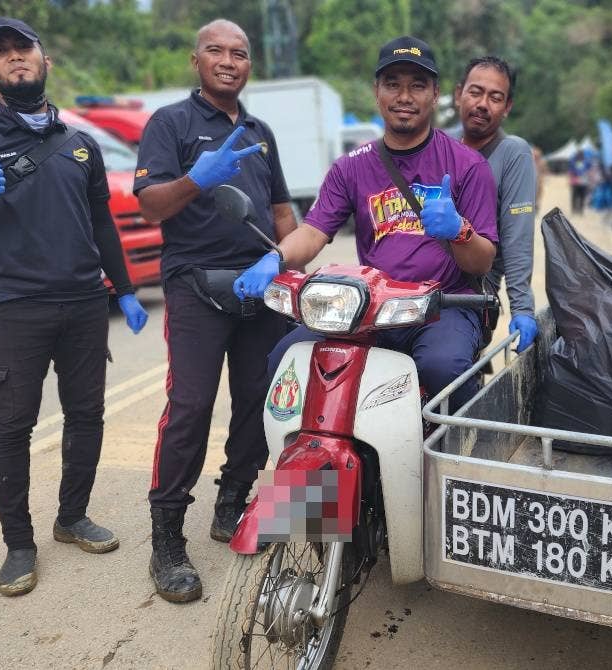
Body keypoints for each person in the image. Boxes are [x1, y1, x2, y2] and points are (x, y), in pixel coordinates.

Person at [0, 17, 149, 597]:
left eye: (22, 48)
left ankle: (71, 517)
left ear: (44, 58)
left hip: (84, 303)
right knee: (11, 428)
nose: (14, 58)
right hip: (15, 306)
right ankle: (19, 544)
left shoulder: (80, 143)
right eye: (0, 52)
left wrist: (125, 289)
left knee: (87, 416)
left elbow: (101, 220)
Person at [235, 36, 498, 411]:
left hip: (444, 306)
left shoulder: (468, 165)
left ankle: (459, 450)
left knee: (442, 368)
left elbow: (482, 262)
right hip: (372, 307)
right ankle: (313, 451)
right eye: (392, 84)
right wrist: (274, 258)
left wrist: (460, 231)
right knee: (287, 360)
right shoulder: (351, 167)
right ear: (377, 91)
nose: (404, 96)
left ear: (435, 94)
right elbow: (313, 231)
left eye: (417, 85)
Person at [133, 19, 296, 603]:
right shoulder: (170, 123)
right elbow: (151, 206)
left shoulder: (259, 131)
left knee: (259, 400)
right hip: (194, 285)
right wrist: (196, 181)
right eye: (216, 51)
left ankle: (232, 502)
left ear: (250, 64)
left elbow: (282, 211)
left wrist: (288, 263)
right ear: (195, 60)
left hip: (259, 286)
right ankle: (166, 539)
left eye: (240, 53)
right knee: (192, 405)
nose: (229, 61)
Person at [454, 56, 538, 353]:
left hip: (470, 297)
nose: (482, 104)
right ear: (458, 94)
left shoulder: (513, 153)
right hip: (418, 291)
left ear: (507, 107)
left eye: (495, 97)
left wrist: (522, 308)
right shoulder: (439, 145)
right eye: (475, 92)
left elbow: (517, 238)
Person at [568, 149, 589, 215]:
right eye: (578, 154)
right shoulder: (573, 161)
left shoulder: (586, 161)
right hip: (575, 181)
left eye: (581, 154)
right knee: (574, 196)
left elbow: (588, 169)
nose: (580, 155)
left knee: (582, 196)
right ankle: (574, 209)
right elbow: (570, 170)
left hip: (583, 181)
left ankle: (581, 210)